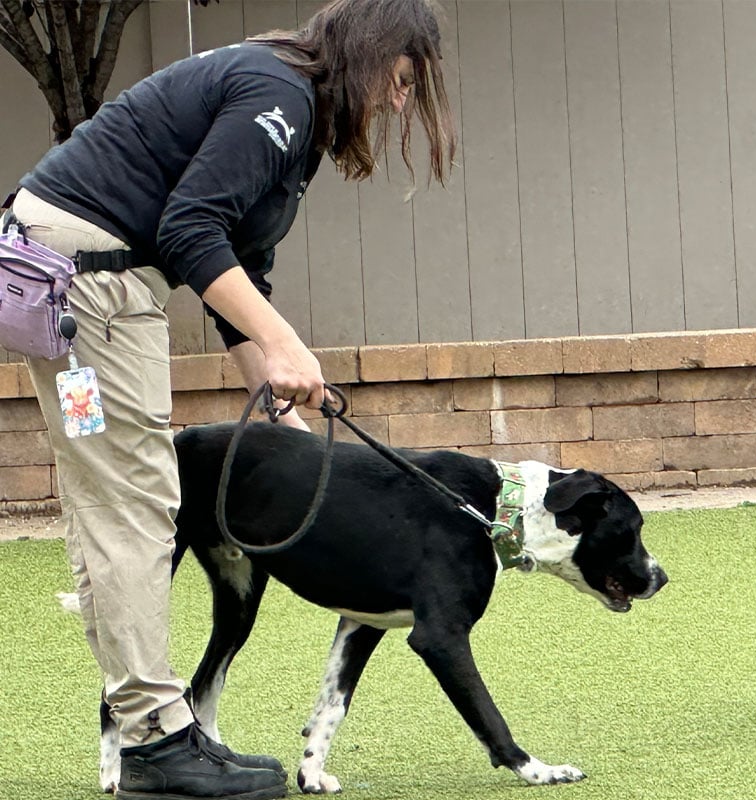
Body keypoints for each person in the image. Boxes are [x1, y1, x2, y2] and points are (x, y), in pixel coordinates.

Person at [5, 0, 456, 797]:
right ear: (373, 53)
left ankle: (150, 728)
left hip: (71, 289)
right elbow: (189, 231)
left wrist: (272, 396)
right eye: (402, 79)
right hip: (91, 288)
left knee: (109, 495)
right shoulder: (278, 96)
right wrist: (284, 344)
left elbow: (237, 264)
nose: (398, 102)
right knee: (136, 502)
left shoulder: (290, 106)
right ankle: (156, 743)